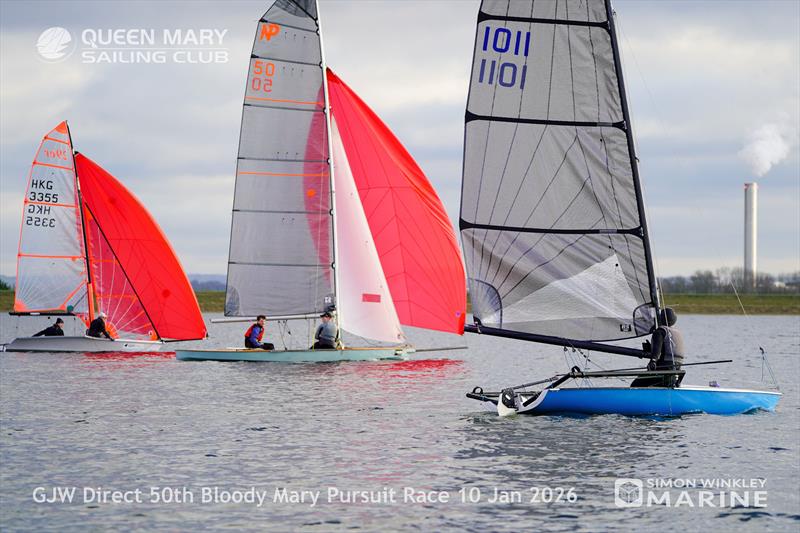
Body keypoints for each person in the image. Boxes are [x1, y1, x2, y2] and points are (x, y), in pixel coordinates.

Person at [631, 307, 685, 388]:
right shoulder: (677, 333)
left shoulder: (660, 331)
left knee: (635, 385)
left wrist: (653, 361)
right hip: (676, 371)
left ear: (661, 319)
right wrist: (650, 349)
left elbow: (657, 349)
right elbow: (666, 349)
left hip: (663, 370)